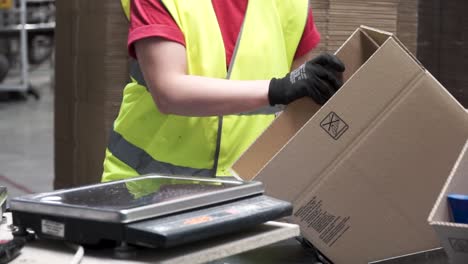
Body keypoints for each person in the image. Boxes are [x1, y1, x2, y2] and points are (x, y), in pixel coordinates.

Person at [101, 0, 345, 182]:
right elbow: (169, 91)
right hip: (146, 189)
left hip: (242, 193)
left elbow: (294, 106)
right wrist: (278, 89)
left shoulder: (291, 5)